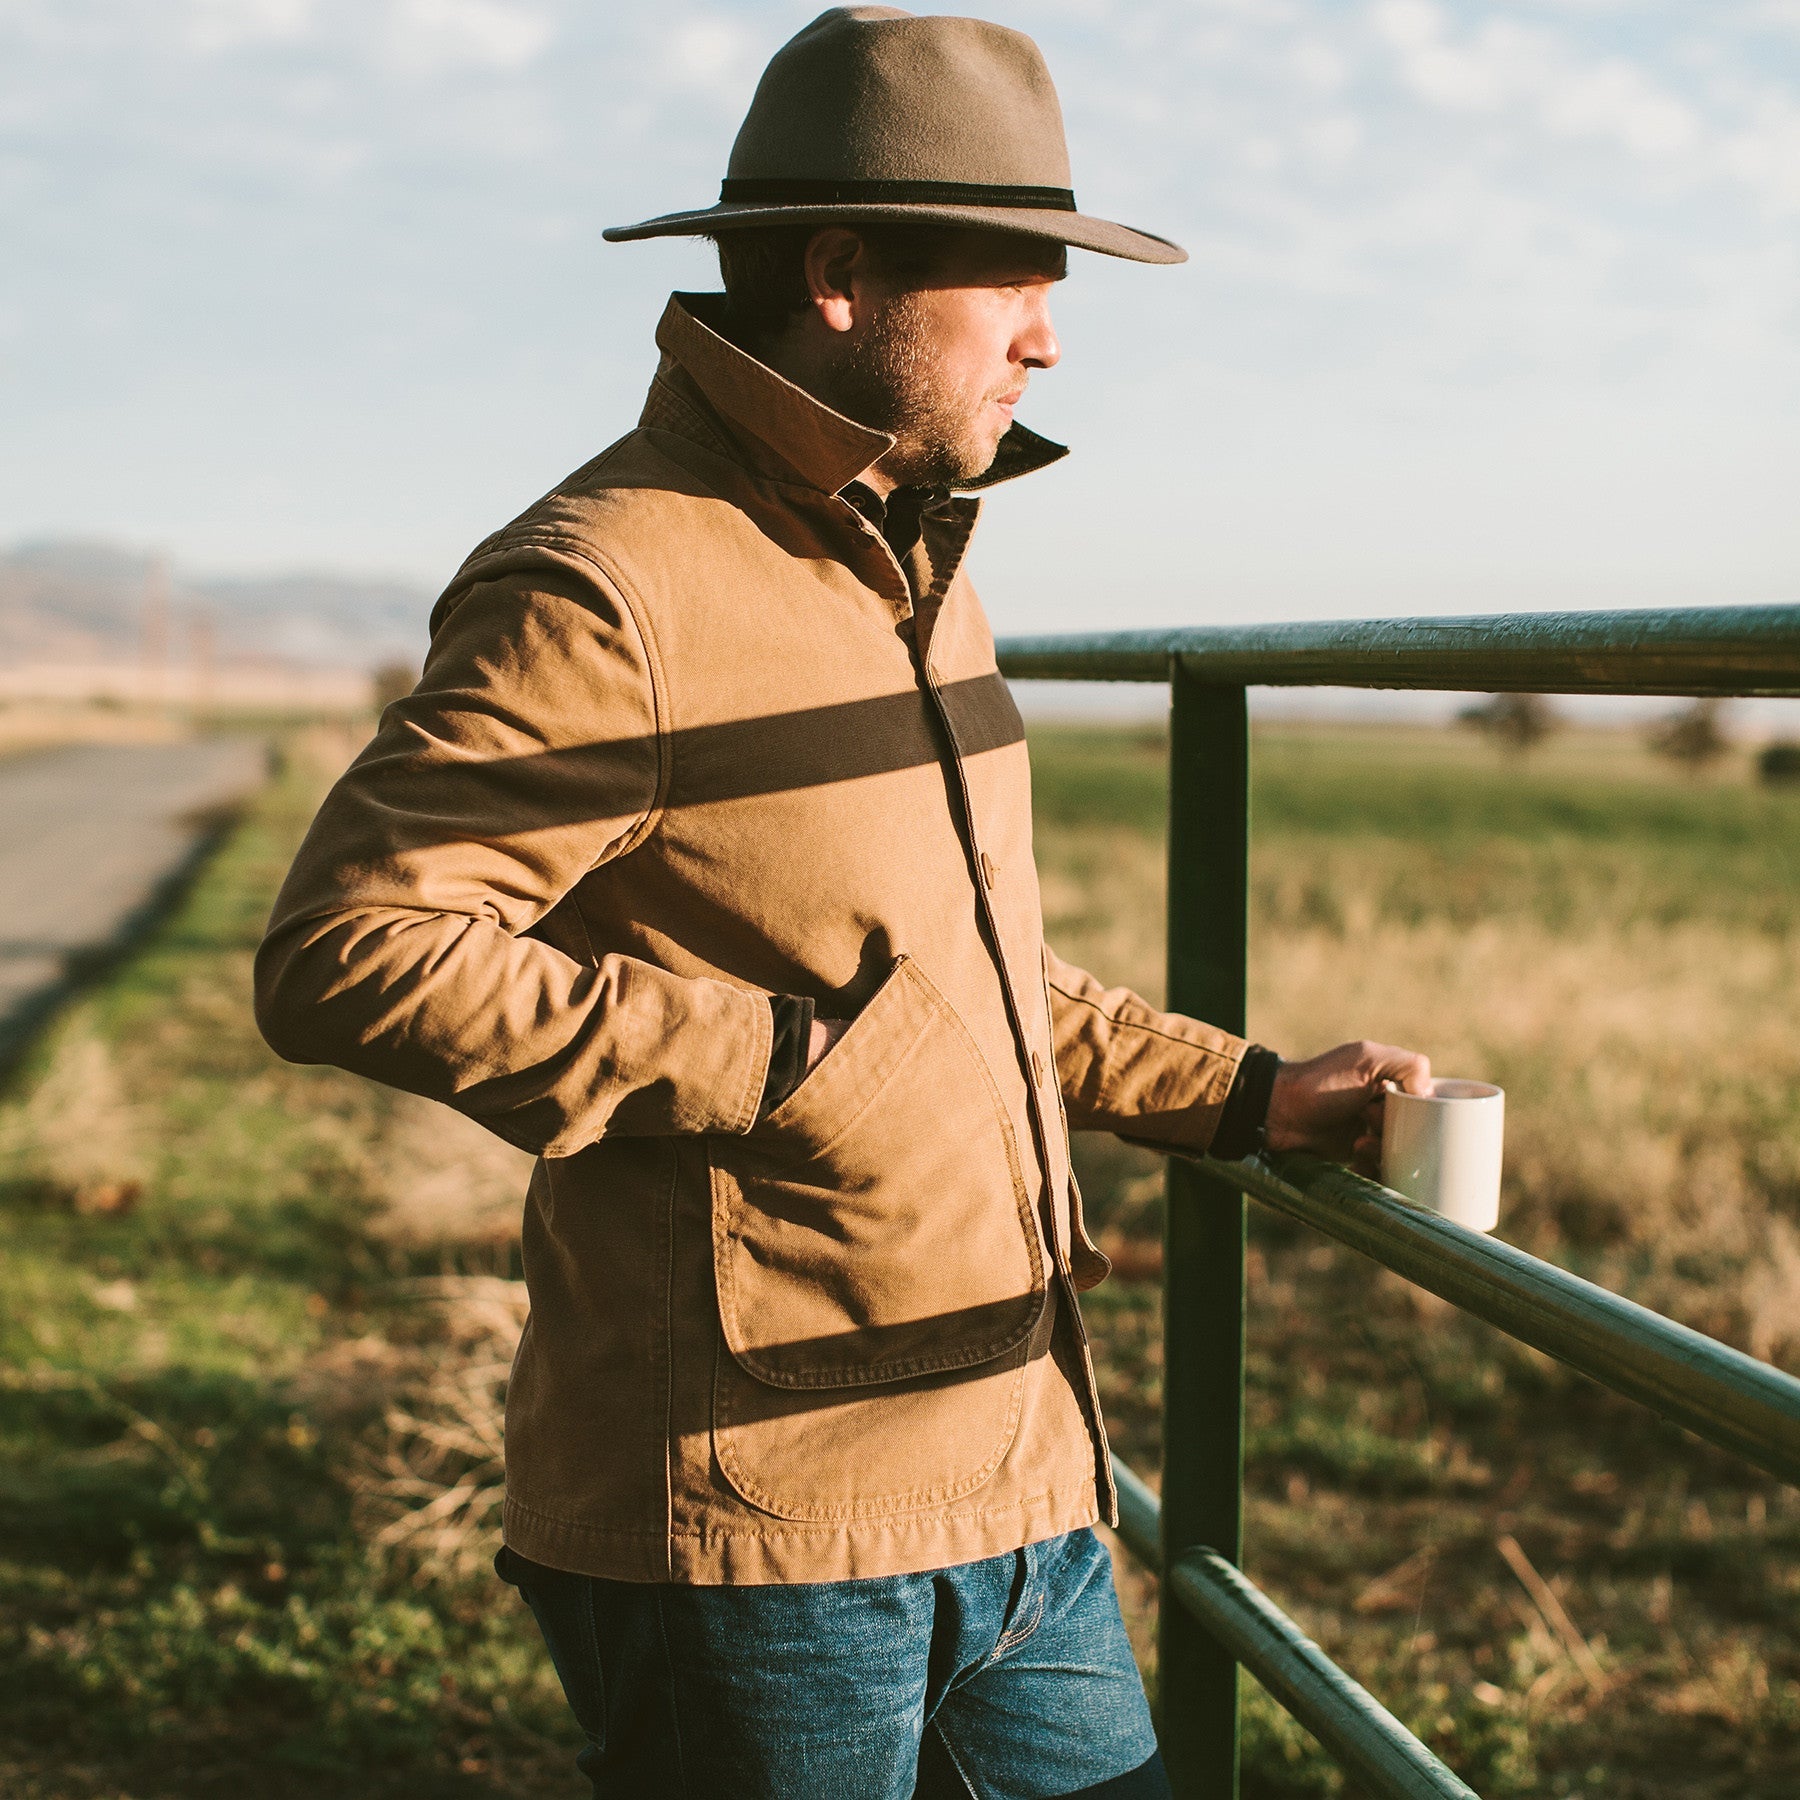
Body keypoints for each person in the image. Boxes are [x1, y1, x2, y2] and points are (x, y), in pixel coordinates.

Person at [254, 8, 1430, 1796]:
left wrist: (1249, 1094)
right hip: (756, 1534)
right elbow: (350, 952)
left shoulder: (918, 560)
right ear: (838, 276)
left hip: (1021, 1473)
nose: (1048, 337)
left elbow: (956, 981)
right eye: (1012, 283)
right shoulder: (608, 583)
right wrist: (779, 1064)